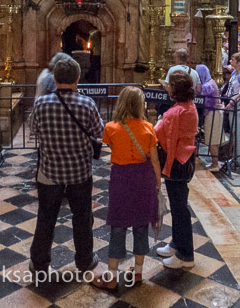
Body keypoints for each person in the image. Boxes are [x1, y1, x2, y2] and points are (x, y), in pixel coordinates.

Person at [29, 57, 103, 276]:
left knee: (45, 218)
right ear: (77, 79)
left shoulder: (41, 104)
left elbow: (33, 129)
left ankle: (40, 263)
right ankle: (84, 261)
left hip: (49, 173)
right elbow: (99, 134)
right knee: (82, 218)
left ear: (55, 78)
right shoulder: (87, 103)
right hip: (80, 172)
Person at [93, 87, 161, 290]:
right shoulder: (149, 127)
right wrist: (158, 182)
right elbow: (155, 161)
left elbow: (115, 149)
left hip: (122, 179)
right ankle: (138, 272)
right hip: (144, 180)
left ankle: (112, 275)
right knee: (141, 225)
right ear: (140, 105)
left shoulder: (111, 127)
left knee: (118, 225)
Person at [155, 71, 198, 269]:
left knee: (180, 210)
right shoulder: (188, 107)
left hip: (176, 163)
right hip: (185, 159)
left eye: (170, 85)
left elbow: (166, 140)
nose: (167, 87)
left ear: (175, 90)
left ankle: (186, 255)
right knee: (178, 205)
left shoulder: (175, 113)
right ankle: (176, 243)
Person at [196, 64, 223, 172]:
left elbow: (207, 102)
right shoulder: (211, 82)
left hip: (212, 114)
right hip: (214, 113)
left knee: (212, 140)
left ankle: (215, 164)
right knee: (213, 140)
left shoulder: (207, 86)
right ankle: (214, 162)